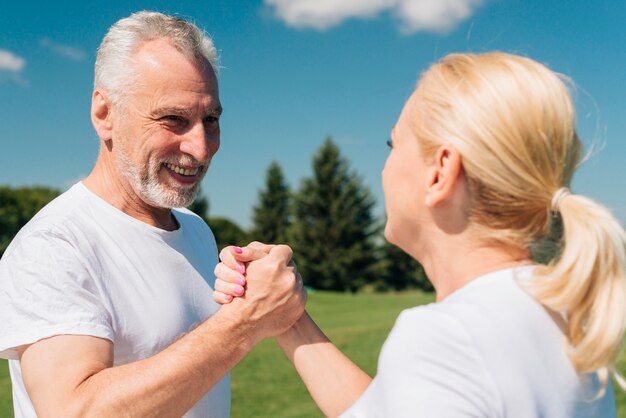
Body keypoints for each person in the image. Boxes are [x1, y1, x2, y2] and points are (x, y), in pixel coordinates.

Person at [214, 52, 626, 417]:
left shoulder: (445, 339)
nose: (384, 168)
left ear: (440, 171)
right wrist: (287, 316)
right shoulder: (562, 315)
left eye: (392, 144)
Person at [0, 11, 306, 418]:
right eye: (173, 119)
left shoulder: (195, 230)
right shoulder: (54, 246)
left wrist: (253, 293)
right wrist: (246, 322)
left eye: (210, 120)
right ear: (104, 114)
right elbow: (73, 410)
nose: (200, 147)